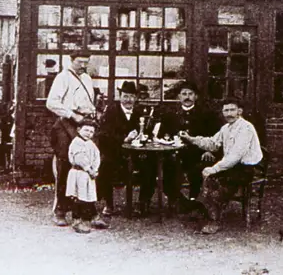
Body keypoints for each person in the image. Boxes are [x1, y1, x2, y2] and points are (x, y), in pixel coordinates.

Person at [179, 98, 264, 234]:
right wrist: (191, 139)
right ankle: (202, 208)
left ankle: (214, 220)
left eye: (232, 110)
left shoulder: (246, 128)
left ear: (239, 111)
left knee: (214, 179)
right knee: (197, 170)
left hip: (247, 168)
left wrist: (214, 169)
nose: (228, 113)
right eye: (226, 110)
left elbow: (235, 156)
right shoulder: (226, 128)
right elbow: (212, 143)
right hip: (232, 166)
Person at [45, 52, 97, 226]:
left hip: (85, 123)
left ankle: (85, 212)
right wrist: (71, 115)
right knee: (66, 166)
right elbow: (51, 102)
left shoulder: (87, 78)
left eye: (86, 62)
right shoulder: (63, 77)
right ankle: (60, 210)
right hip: (66, 124)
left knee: (87, 165)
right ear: (71, 61)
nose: (83, 66)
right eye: (80, 62)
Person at [159, 81, 221, 210]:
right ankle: (177, 200)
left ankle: (194, 200)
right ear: (179, 97)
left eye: (190, 94)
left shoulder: (207, 115)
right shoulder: (169, 115)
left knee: (197, 171)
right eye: (184, 94)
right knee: (168, 168)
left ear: (196, 96)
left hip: (198, 154)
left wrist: (210, 151)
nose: (187, 97)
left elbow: (217, 137)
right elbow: (162, 136)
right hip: (175, 153)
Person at [97, 81, 150, 217]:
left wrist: (142, 137)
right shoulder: (111, 112)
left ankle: (142, 202)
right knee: (105, 166)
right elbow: (104, 135)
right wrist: (124, 139)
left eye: (132, 97)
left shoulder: (139, 113)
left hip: (135, 154)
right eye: (125, 96)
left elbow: (144, 133)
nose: (129, 100)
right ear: (120, 96)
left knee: (150, 165)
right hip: (115, 153)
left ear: (136, 98)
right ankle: (108, 204)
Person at [66, 118, 107, 233]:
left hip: (89, 174)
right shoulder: (77, 143)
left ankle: (94, 217)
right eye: (86, 130)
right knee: (79, 198)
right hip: (79, 173)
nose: (89, 134)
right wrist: (89, 169)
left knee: (89, 196)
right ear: (78, 130)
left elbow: (96, 156)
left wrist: (95, 169)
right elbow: (80, 159)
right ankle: (77, 220)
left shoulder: (90, 143)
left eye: (91, 132)